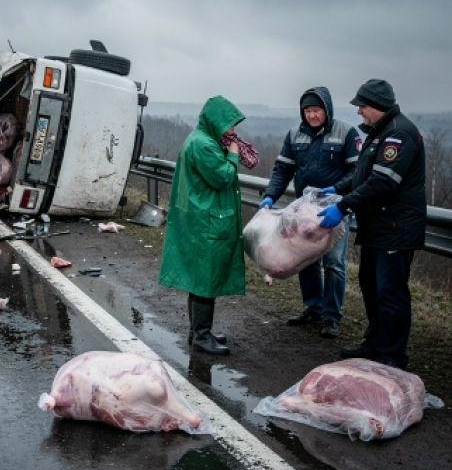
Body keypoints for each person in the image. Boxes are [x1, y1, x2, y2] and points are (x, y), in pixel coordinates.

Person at [317, 78, 426, 370]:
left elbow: (383, 182)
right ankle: (374, 342)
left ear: (378, 106)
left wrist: (343, 206)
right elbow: (363, 174)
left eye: (363, 106)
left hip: (395, 228)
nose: (359, 111)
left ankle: (391, 356)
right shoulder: (378, 133)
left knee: (391, 292)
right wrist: (338, 189)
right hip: (377, 227)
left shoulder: (398, 134)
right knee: (370, 286)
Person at [259, 87, 360, 338]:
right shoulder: (295, 135)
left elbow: (357, 172)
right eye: (307, 111)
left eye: (317, 110)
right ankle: (313, 308)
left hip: (334, 209)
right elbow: (283, 170)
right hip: (303, 211)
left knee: (334, 262)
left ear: (327, 109)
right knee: (304, 259)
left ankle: (331, 315)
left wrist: (337, 190)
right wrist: (270, 196)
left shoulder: (346, 133)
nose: (312, 115)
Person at [158, 95, 246, 355]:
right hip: (206, 222)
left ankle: (197, 329)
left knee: (199, 279)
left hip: (198, 219)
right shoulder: (205, 145)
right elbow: (223, 177)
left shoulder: (198, 139)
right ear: (216, 122)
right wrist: (232, 156)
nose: (232, 131)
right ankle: (201, 336)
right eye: (229, 125)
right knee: (206, 280)